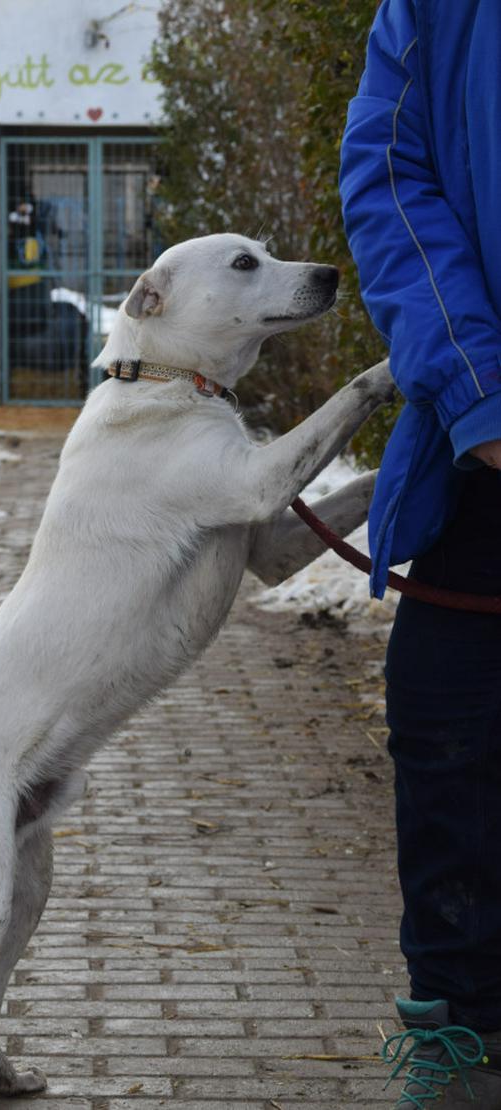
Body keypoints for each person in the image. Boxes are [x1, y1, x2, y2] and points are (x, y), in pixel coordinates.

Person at [340, 1, 501, 1104]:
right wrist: (475, 390)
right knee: (443, 723)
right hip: (478, 461)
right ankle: (455, 1033)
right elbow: (390, 177)